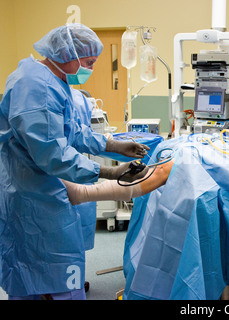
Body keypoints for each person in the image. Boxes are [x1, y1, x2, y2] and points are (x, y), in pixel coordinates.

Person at [0, 23, 150, 300]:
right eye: (90, 62)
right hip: (33, 191)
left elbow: (71, 131)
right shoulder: (36, 87)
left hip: (42, 184)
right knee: (42, 259)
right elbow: (52, 153)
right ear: (68, 53)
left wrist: (112, 144)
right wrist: (108, 171)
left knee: (52, 260)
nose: (90, 69)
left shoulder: (53, 80)